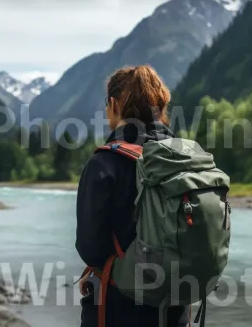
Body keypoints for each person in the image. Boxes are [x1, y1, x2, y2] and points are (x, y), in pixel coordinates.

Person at [75, 65, 189, 327]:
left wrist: (97, 268)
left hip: (118, 309)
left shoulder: (104, 163)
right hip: (176, 309)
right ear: (161, 107)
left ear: (114, 105)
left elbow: (90, 247)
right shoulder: (183, 159)